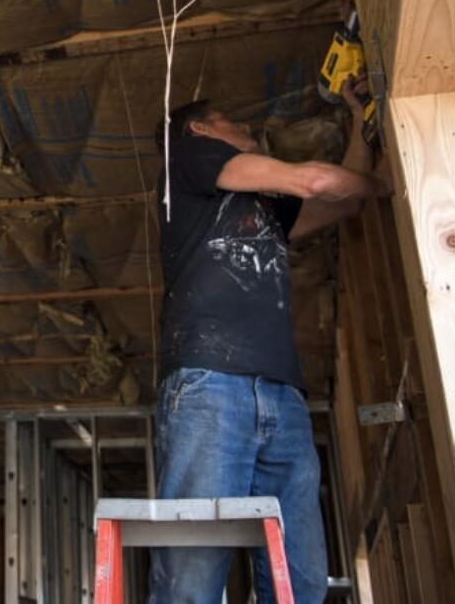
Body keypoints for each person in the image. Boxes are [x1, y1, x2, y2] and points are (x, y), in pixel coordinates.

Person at [148, 82, 388, 604]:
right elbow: (318, 180)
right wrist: (387, 183)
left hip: (282, 394)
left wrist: (358, 118)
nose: (247, 131)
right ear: (201, 128)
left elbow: (341, 203)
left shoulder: (259, 206)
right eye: (233, 122)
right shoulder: (188, 156)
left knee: (298, 576)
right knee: (193, 576)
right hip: (210, 384)